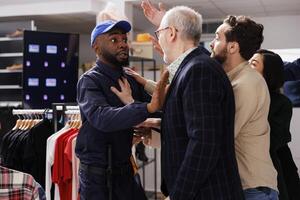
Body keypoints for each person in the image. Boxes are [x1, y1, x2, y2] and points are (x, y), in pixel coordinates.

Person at [140, 1, 278, 200]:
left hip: (253, 187)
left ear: (232, 47)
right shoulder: (224, 75)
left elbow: (211, 136)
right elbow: (187, 102)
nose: (211, 44)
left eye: (217, 37)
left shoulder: (247, 83)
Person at [113, 6, 244, 200]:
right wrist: (158, 124)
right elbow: (191, 123)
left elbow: (204, 143)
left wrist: (178, 196)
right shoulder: (193, 68)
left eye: (159, 33)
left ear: (172, 33)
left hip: (207, 193)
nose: (159, 39)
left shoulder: (198, 70)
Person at [75, 19, 168, 200]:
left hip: (126, 169)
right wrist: (143, 108)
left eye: (124, 40)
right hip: (97, 177)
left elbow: (156, 109)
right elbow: (101, 118)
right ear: (96, 47)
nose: (122, 45)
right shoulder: (89, 81)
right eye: (114, 40)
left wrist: (148, 120)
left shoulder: (130, 78)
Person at [249, 49, 300, 200]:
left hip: (276, 169)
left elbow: (273, 141)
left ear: (267, 73)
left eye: (253, 64)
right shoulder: (243, 96)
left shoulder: (281, 103)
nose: (247, 67)